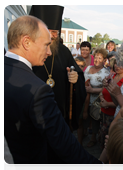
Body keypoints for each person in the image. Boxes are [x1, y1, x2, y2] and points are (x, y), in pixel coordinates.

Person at [4, 15, 105, 170]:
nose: (49, 52)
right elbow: (63, 142)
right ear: (26, 42)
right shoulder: (38, 90)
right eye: (46, 45)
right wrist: (100, 168)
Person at [29, 5, 87, 170]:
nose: (53, 36)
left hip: (60, 113)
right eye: (49, 31)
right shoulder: (30, 52)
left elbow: (78, 73)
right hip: (36, 114)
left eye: (56, 32)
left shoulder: (63, 51)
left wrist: (75, 78)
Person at [84, 48, 110, 147]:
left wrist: (92, 90)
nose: (97, 60)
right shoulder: (87, 68)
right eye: (95, 57)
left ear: (104, 60)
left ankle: (93, 138)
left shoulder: (106, 73)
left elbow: (106, 89)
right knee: (85, 117)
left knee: (95, 119)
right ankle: (84, 133)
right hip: (85, 98)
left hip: (97, 100)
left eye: (100, 58)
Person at [98, 57, 123, 150]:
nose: (118, 66)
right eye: (116, 63)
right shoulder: (111, 77)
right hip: (104, 111)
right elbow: (102, 90)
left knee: (111, 136)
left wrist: (107, 104)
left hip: (113, 113)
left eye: (121, 64)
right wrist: (102, 99)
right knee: (102, 133)